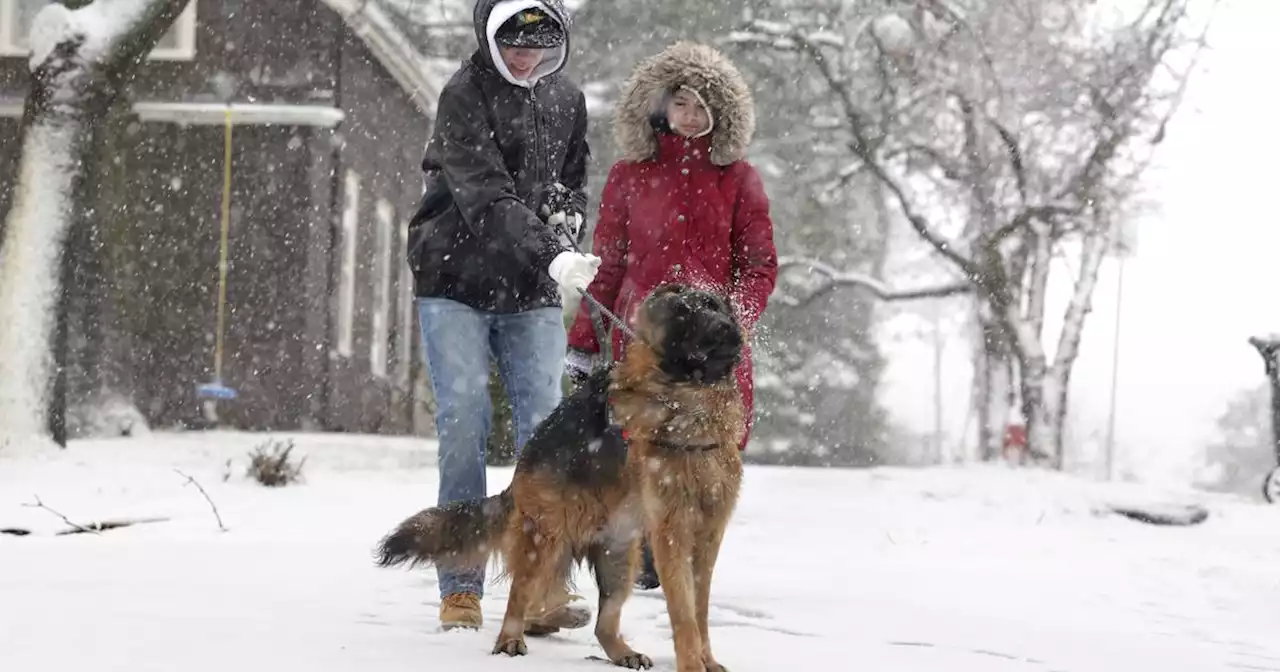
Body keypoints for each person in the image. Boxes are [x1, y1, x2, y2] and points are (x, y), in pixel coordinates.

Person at [406, 0, 600, 632]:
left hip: (530, 288)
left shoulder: (567, 99)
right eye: (512, 43)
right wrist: (552, 254)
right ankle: (460, 584)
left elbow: (572, 180)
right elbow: (486, 197)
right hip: (453, 278)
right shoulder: (462, 94)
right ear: (489, 37)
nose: (525, 55)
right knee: (464, 418)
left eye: (540, 44)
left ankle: (543, 583)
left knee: (546, 431)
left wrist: (568, 225)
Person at [564, 41, 779, 589]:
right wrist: (586, 339)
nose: (690, 115)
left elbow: (758, 264)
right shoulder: (628, 176)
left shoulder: (739, 179)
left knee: (707, 452)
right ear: (660, 105)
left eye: (703, 106)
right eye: (681, 102)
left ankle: (684, 556)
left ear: (721, 115)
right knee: (637, 448)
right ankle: (641, 548)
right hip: (642, 338)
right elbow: (608, 266)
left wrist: (735, 320)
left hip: (712, 346)